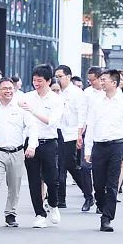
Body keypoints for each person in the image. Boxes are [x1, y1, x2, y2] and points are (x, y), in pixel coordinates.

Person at [84, 70, 123, 232]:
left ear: (114, 83)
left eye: (104, 80)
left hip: (117, 146)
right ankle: (101, 205)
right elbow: (91, 126)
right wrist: (88, 149)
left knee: (112, 183)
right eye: (101, 80)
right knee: (98, 184)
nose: (101, 83)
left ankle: (107, 218)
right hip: (99, 146)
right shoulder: (96, 103)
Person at [0, 78, 35, 228]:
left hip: (16, 152)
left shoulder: (20, 107)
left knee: (14, 186)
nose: (8, 91)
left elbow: (32, 127)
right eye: (5, 88)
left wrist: (31, 146)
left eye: (10, 88)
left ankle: (10, 213)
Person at [18, 64, 64, 228]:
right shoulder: (27, 97)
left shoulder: (56, 100)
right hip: (30, 143)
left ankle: (53, 204)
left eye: (40, 81)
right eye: (34, 80)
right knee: (34, 180)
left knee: (52, 179)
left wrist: (32, 111)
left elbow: (51, 121)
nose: (36, 84)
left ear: (48, 81)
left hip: (49, 142)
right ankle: (39, 214)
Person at [54, 64, 94, 211]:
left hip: (71, 134)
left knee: (69, 164)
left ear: (68, 77)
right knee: (61, 166)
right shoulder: (57, 93)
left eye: (60, 76)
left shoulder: (77, 93)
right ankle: (61, 199)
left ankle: (88, 194)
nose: (58, 79)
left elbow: (82, 114)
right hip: (59, 132)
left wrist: (79, 134)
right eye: (56, 76)